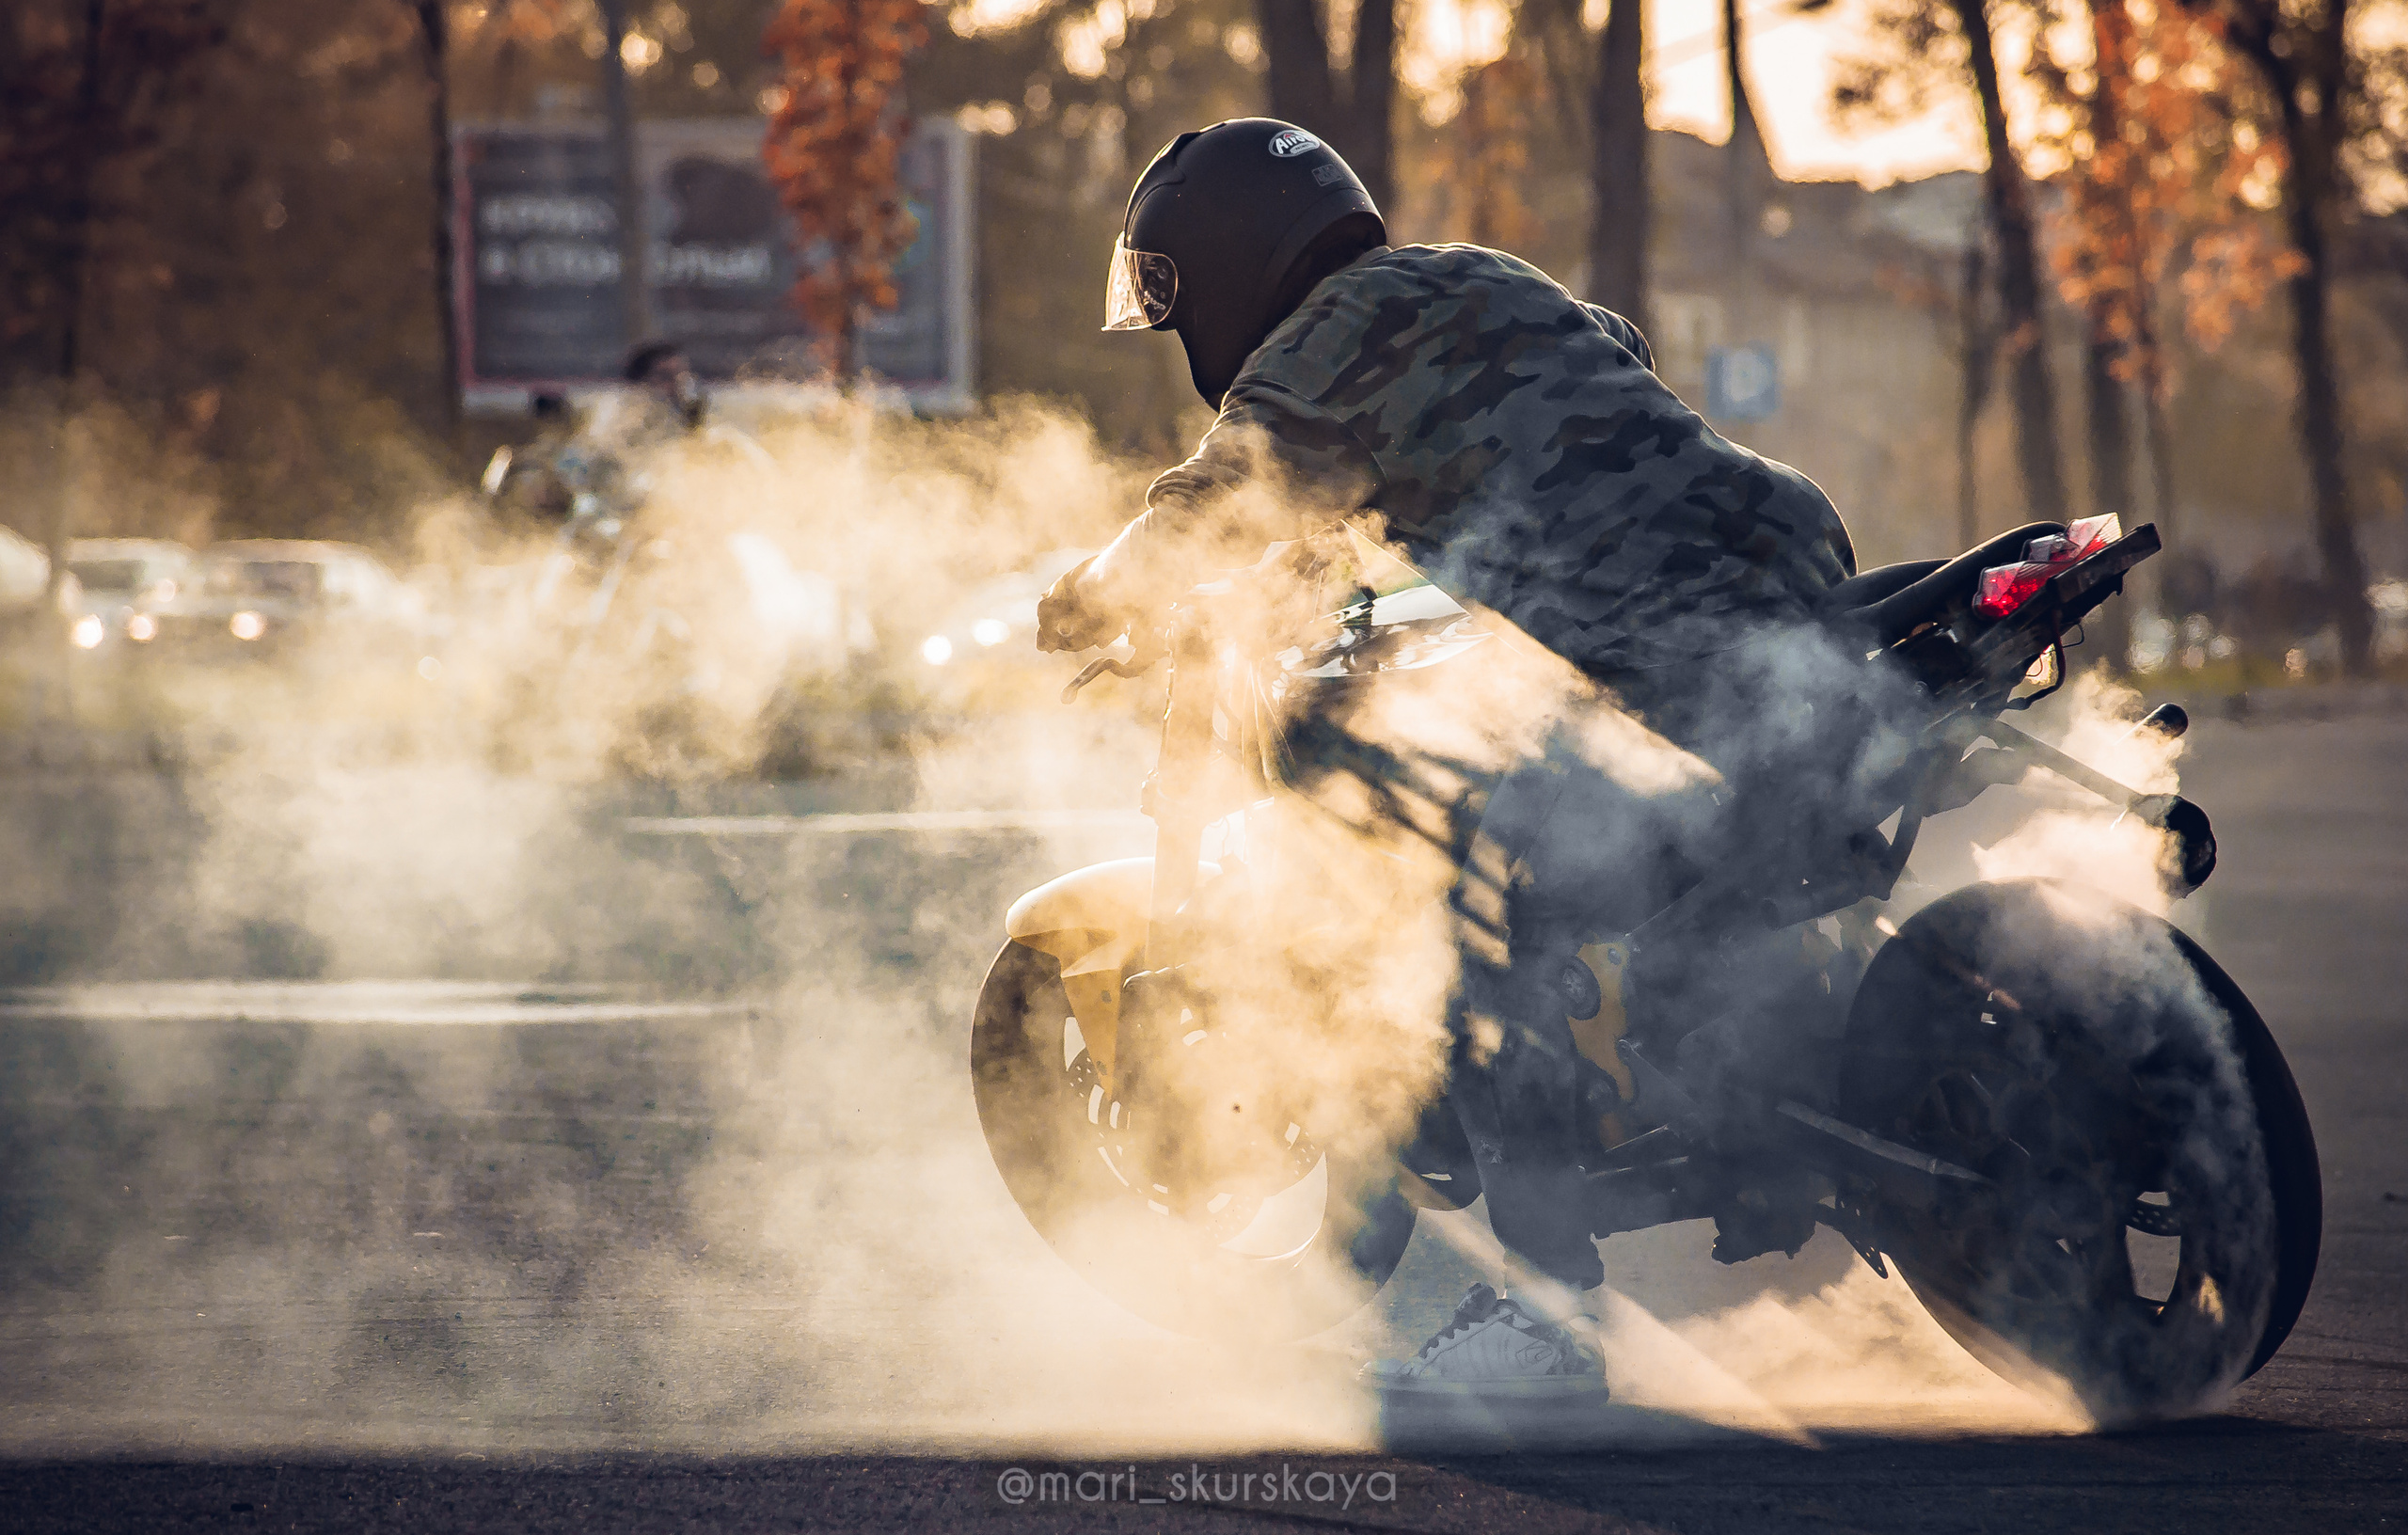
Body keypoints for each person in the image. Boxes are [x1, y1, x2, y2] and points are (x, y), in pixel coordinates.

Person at [1035, 119, 1862, 1402]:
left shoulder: (1321, 343)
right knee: (1658, 837)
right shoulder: (1483, 278)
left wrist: (1090, 600)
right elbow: (1586, 381)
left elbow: (1222, 494)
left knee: (1460, 895)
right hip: (1796, 572)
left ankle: (1547, 1316)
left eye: (1176, 293)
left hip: (1661, 657)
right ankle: (1785, 1057)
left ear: (1232, 261)